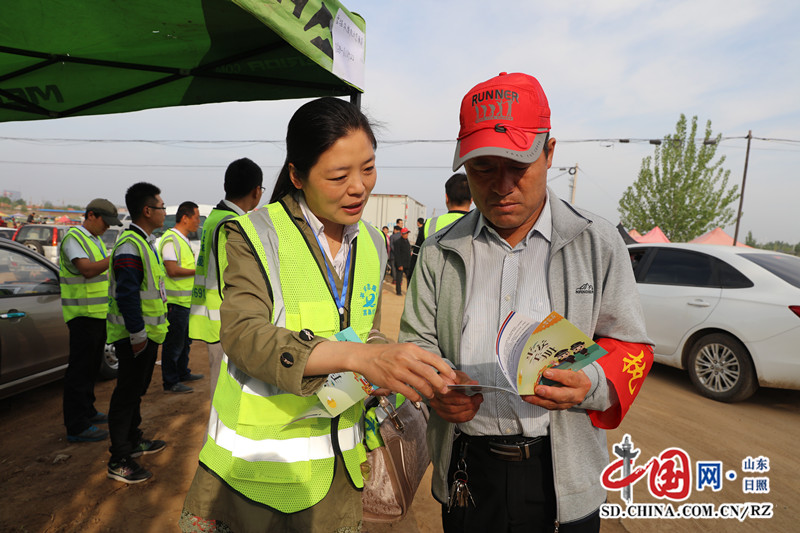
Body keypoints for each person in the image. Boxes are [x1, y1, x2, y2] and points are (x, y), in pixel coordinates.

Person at [181, 96, 455, 533]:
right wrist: (358, 358)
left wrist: (391, 361)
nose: (359, 187)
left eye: (368, 168)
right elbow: (244, 336)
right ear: (297, 175)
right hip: (258, 474)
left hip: (341, 464)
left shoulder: (372, 241)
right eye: (338, 175)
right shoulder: (252, 233)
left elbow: (365, 332)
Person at [399, 72, 654, 532]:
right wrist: (438, 388)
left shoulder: (595, 242)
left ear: (549, 153)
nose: (501, 186)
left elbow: (631, 344)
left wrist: (590, 383)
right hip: (468, 471)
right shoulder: (439, 250)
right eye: (483, 169)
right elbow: (416, 340)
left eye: (518, 166)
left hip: (560, 474)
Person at [105, 182, 169, 484]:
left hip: (146, 334)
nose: (164, 212)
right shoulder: (131, 244)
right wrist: (137, 334)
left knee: (136, 392)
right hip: (135, 336)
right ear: (147, 210)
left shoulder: (145, 241)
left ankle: (133, 439)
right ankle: (119, 458)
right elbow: (128, 295)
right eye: (161, 206)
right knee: (126, 394)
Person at [189, 157, 264, 398]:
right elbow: (233, 277)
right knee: (225, 393)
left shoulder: (215, 217)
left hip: (215, 318)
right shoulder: (232, 224)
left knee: (221, 388)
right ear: (256, 192)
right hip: (227, 321)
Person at [59, 198, 122, 443]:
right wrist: (115, 257)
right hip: (82, 316)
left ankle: (88, 410)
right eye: (105, 222)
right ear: (91, 215)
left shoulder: (94, 239)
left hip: (96, 316)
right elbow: (87, 269)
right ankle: (76, 425)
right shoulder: (74, 238)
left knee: (91, 368)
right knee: (79, 370)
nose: (107, 228)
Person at [159, 201, 203, 394]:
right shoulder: (170, 240)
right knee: (174, 343)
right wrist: (198, 271)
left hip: (185, 302)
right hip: (175, 303)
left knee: (184, 341)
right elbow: (172, 270)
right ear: (184, 218)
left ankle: (182, 372)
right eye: (196, 218)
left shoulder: (182, 239)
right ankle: (170, 381)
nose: (198, 223)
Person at [422, 172, 473, 240]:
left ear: (447, 198)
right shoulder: (481, 226)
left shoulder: (429, 225)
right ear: (471, 200)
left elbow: (418, 249)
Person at [392, 227, 412, 295]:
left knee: (409, 278)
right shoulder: (398, 242)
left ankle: (409, 292)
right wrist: (399, 265)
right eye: (405, 233)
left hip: (408, 264)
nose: (407, 235)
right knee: (399, 278)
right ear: (402, 234)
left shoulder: (407, 241)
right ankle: (398, 291)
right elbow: (397, 254)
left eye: (407, 233)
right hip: (401, 264)